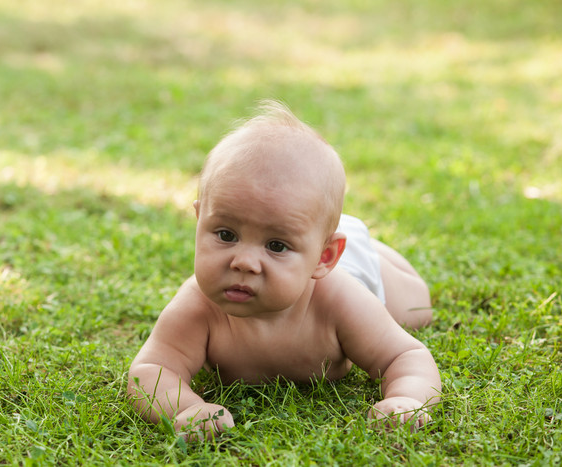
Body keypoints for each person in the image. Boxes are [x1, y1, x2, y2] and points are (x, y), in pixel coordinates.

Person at [127, 101, 440, 440]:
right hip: (313, 247)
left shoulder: (339, 298)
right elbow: (152, 369)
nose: (243, 262)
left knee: (416, 309)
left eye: (275, 245)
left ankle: (369, 247)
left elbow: (405, 354)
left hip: (357, 270)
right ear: (200, 220)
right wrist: (186, 407)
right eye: (226, 235)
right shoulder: (199, 304)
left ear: (323, 258)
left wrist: (407, 398)